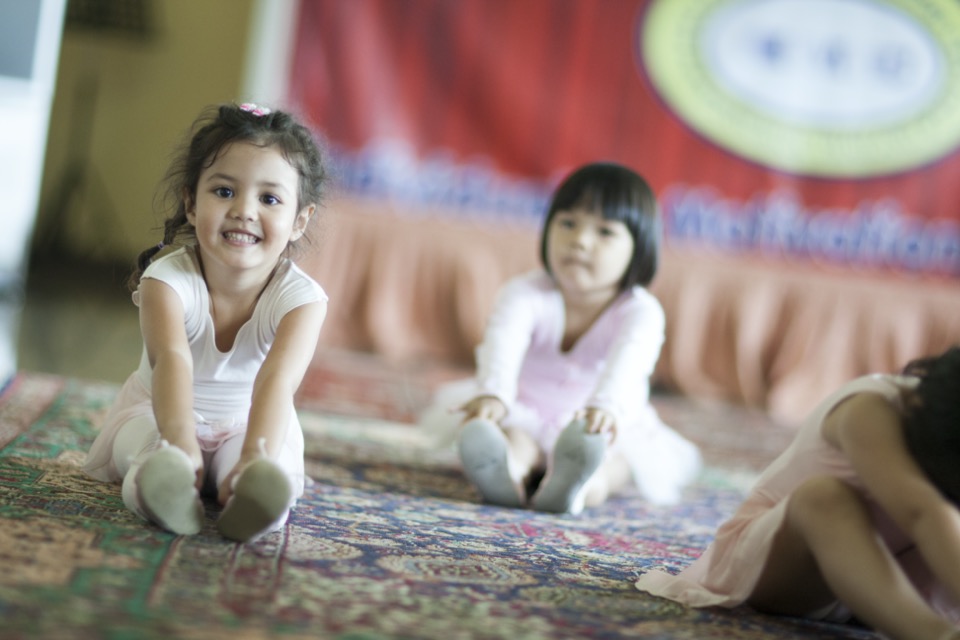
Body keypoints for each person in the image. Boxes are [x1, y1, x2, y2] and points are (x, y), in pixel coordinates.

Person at [83, 102, 329, 543]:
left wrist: (254, 455)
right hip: (158, 413)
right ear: (191, 204)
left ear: (299, 220)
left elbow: (277, 382)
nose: (244, 210)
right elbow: (171, 361)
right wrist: (180, 442)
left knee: (268, 467)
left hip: (249, 423)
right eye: (224, 191)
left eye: (269, 199)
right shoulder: (166, 281)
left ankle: (254, 498)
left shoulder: (302, 300)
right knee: (148, 450)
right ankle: (162, 489)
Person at [420, 162, 701, 514]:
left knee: (614, 459)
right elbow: (501, 345)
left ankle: (583, 485)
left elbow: (630, 366)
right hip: (524, 405)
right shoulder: (525, 293)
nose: (579, 241)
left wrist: (606, 407)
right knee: (515, 438)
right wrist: (494, 393)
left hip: (593, 419)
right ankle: (507, 472)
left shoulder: (640, 311)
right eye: (568, 224)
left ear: (639, 249)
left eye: (605, 232)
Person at [636, 346, 960, 640]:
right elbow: (921, 511)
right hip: (789, 569)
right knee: (822, 497)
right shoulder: (869, 408)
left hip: (893, 581)